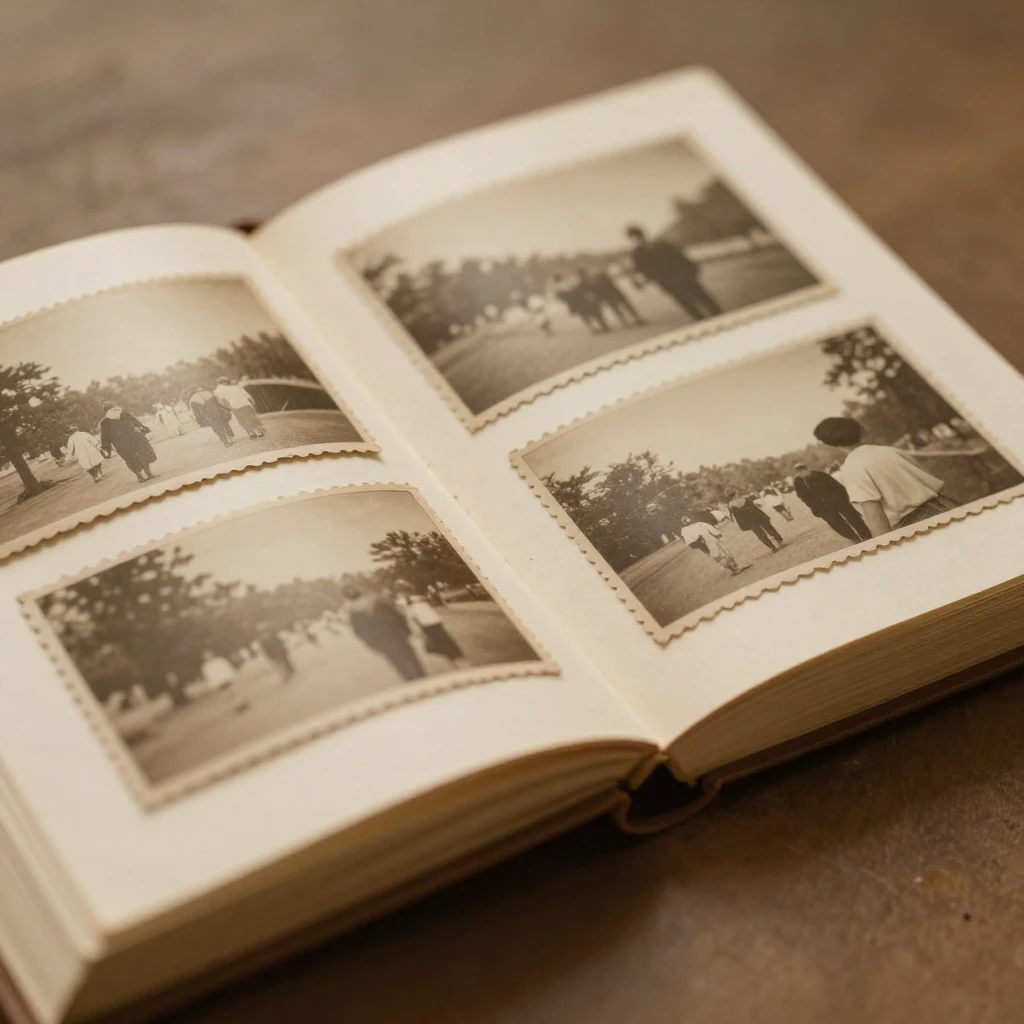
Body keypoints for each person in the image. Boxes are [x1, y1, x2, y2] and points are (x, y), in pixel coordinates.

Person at [812, 417, 957, 537]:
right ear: (861, 431)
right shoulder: (891, 451)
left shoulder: (851, 468)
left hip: (915, 523)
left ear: (833, 444)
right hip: (946, 505)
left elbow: (875, 516)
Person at [625, 225, 722, 320]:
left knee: (702, 297)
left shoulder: (662, 245)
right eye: (633, 238)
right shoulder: (638, 254)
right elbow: (642, 270)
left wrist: (691, 271)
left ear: (642, 235)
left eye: (636, 237)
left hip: (684, 276)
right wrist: (652, 279)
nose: (636, 240)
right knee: (685, 303)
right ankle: (700, 319)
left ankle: (718, 314)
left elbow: (681, 257)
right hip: (668, 283)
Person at [343, 583, 425, 681]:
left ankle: (418, 678)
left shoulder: (369, 603)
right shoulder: (360, 608)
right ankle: (418, 679)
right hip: (388, 637)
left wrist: (405, 629)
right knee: (404, 661)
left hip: (392, 636)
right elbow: (360, 631)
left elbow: (396, 614)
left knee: (405, 660)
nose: (352, 592)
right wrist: (374, 644)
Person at [792, 462, 871, 542]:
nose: (801, 470)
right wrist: (814, 507)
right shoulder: (802, 480)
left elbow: (834, 484)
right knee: (840, 522)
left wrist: (844, 495)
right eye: (800, 469)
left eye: (801, 468)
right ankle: (857, 537)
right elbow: (803, 496)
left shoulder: (815, 475)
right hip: (826, 504)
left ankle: (862, 535)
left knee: (848, 518)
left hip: (831, 501)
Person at [396, 582, 469, 669]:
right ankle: (457, 660)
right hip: (429, 623)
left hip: (430, 623)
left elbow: (414, 614)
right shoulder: (410, 600)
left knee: (444, 643)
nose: (401, 594)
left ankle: (459, 661)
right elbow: (412, 615)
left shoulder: (413, 600)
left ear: (405, 591)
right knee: (441, 644)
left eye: (402, 592)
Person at [98, 403, 157, 483]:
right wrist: (106, 447)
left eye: (113, 407)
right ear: (106, 411)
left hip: (136, 438)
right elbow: (105, 435)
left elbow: (136, 422)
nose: (113, 410)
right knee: (131, 459)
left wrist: (143, 429)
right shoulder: (105, 422)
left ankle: (148, 473)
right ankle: (139, 476)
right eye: (109, 409)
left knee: (144, 454)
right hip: (121, 444)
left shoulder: (124, 414)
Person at [581, 267, 646, 328]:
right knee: (620, 308)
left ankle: (635, 319)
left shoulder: (599, 276)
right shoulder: (589, 281)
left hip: (614, 294)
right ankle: (627, 321)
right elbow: (595, 291)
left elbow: (608, 279)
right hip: (609, 296)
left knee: (625, 306)